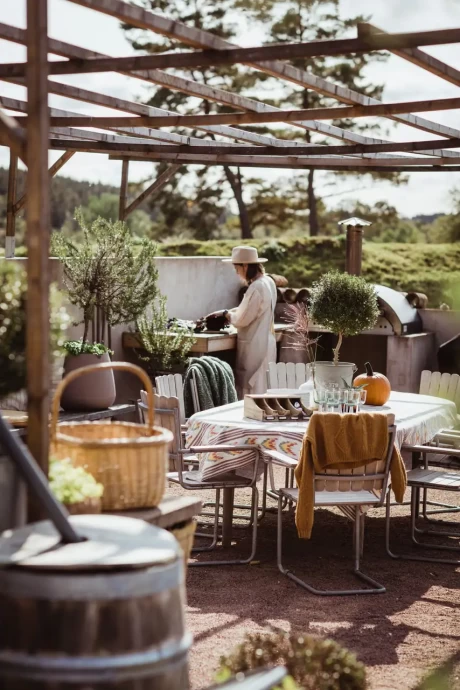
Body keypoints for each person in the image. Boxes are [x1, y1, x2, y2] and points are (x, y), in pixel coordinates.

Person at [206, 246, 277, 398]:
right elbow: (248, 309)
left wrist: (226, 314)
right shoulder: (268, 282)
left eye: (236, 268)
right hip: (266, 342)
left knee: (252, 390)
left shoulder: (257, 286)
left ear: (245, 266)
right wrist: (228, 312)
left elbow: (242, 319)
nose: (236, 273)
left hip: (256, 344)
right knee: (264, 387)